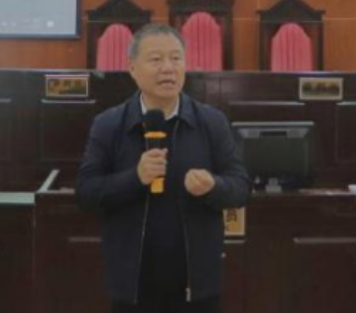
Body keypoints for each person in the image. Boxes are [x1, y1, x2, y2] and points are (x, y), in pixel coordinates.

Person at [77, 23, 250, 312]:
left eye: (176, 58)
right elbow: (86, 193)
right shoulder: (109, 124)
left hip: (197, 283)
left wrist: (214, 186)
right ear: (132, 68)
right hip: (133, 284)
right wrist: (134, 178)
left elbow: (241, 187)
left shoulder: (211, 122)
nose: (168, 68)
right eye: (156, 59)